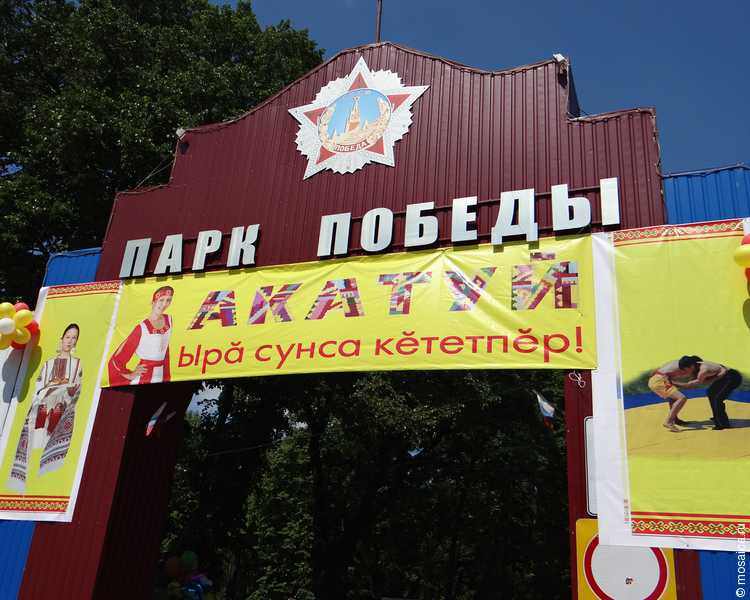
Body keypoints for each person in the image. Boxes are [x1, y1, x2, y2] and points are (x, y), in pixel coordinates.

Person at [7, 323, 82, 491]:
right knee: (35, 427)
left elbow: (77, 387)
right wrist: (49, 390)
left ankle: (48, 464)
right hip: (42, 406)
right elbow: (38, 387)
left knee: (58, 414)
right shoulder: (48, 364)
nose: (70, 341)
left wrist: (63, 389)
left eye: (74, 338)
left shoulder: (77, 364)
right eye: (68, 337)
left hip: (61, 405)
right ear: (61, 339)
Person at [108, 286, 174, 386]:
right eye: (161, 300)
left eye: (168, 300)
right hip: (144, 378)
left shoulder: (169, 319)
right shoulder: (142, 328)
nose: (164, 304)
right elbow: (116, 360)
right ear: (154, 302)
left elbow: (165, 349)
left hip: (162, 374)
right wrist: (130, 374)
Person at [677, 355, 741, 430]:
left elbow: (692, 384)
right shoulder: (697, 364)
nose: (685, 372)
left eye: (685, 369)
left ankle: (722, 423)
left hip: (732, 378)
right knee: (711, 393)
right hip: (725, 376)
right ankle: (718, 416)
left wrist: (675, 384)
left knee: (717, 398)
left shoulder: (703, 370)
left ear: (691, 366)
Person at [647, 359, 693, 432]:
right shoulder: (677, 368)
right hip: (659, 381)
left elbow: (659, 373)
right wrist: (685, 385)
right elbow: (670, 379)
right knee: (682, 398)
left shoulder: (674, 364)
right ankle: (669, 421)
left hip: (657, 380)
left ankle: (675, 419)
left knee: (674, 398)